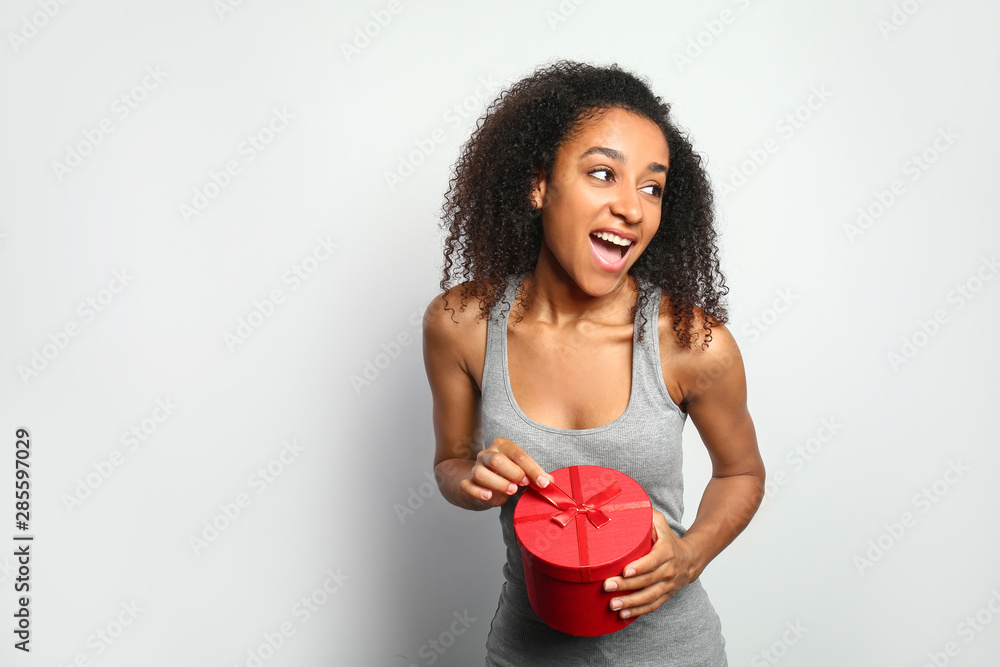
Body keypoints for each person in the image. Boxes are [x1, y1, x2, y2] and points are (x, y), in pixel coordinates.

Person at [421, 60, 765, 666]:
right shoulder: (462, 326)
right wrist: (473, 481)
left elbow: (741, 473)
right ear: (539, 185)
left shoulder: (691, 342)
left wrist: (690, 556)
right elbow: (451, 462)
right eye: (603, 173)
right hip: (526, 651)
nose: (632, 207)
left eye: (652, 187)